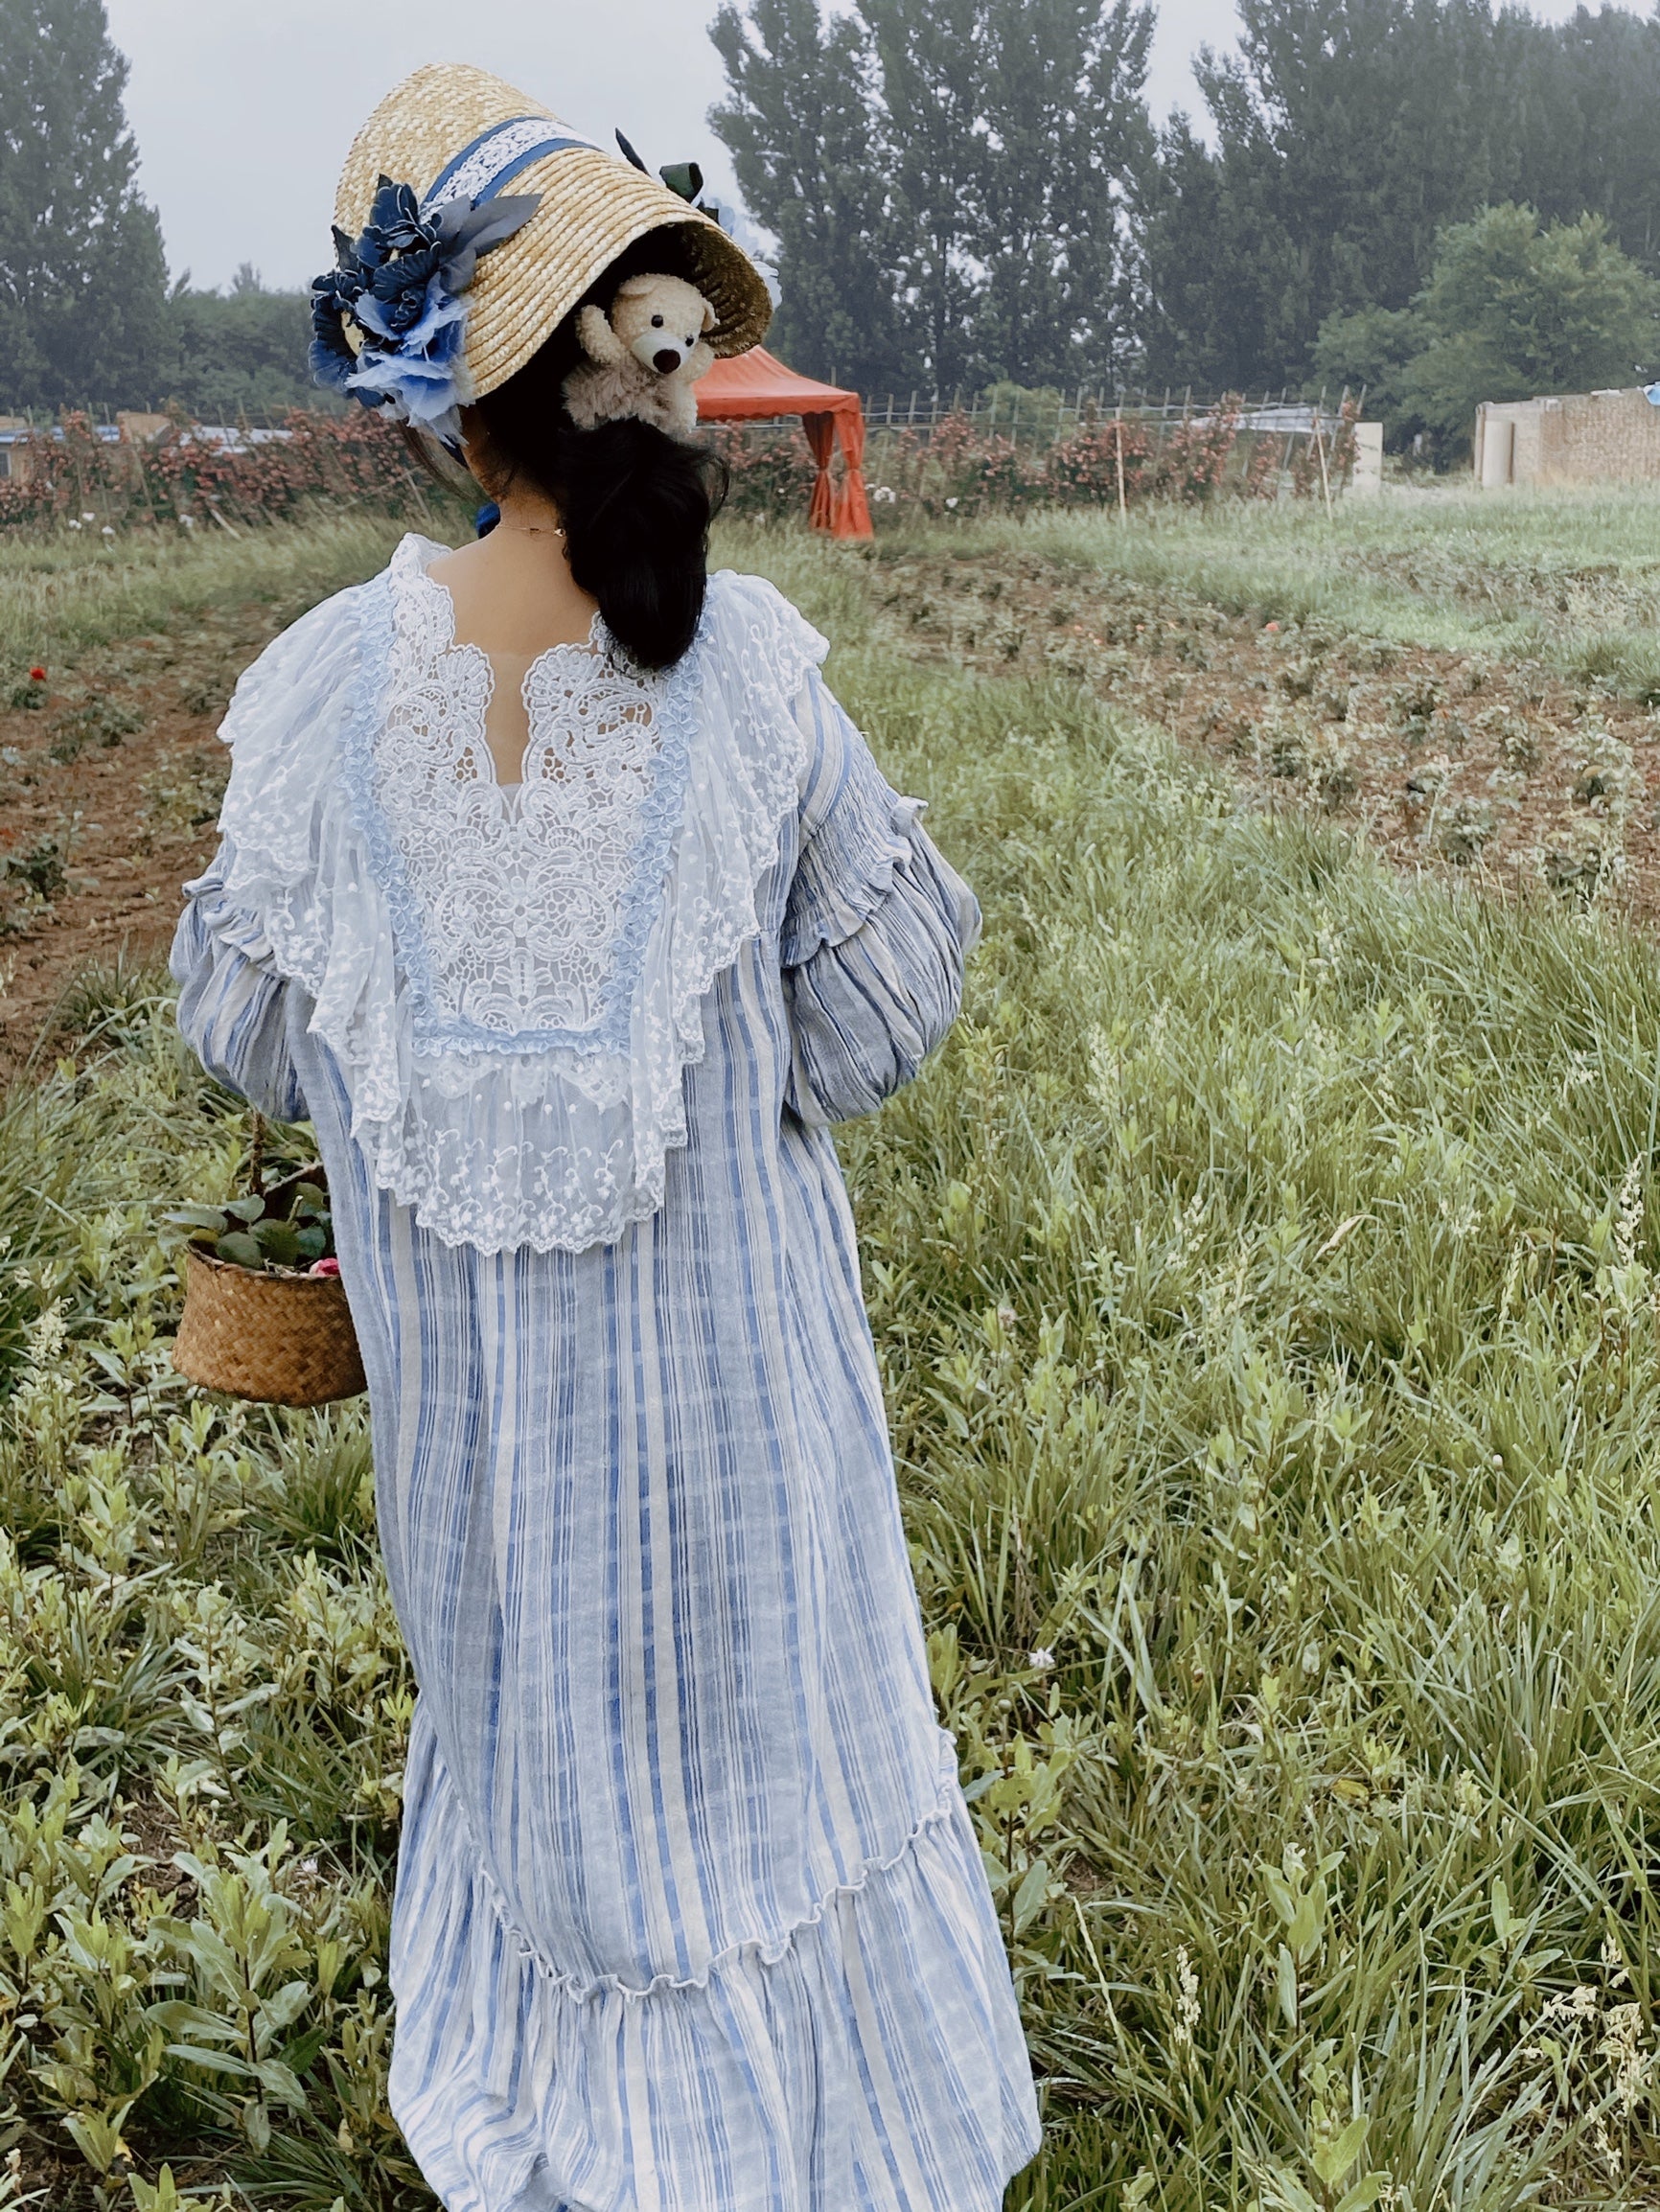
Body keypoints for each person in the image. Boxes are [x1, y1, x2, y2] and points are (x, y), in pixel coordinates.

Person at [171, 62, 1039, 2212]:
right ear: (650, 394)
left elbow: (247, 1024)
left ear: (452, 417)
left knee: (547, 1768)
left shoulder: (306, 700)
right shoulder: (747, 682)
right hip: (750, 1432)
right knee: (777, 1755)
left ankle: (587, 2132)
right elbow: (876, 1020)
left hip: (489, 1471)